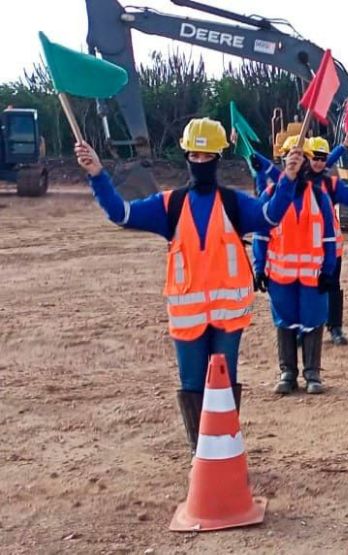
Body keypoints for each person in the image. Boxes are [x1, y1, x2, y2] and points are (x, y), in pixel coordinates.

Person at [75, 118, 297, 453]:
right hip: (188, 319)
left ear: (218, 159)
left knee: (223, 385)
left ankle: (225, 453)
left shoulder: (234, 203)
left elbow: (269, 216)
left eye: (208, 157)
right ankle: (201, 454)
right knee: (193, 385)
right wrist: (97, 175)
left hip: (228, 318)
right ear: (186, 156)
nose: (201, 162)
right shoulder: (170, 205)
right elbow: (121, 214)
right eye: (195, 155)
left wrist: (289, 180)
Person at [251, 136, 348, 346]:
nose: (317, 162)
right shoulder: (283, 185)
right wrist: (252, 155)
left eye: (318, 159)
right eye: (314, 158)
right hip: (298, 254)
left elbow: (327, 163)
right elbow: (268, 176)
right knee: (298, 297)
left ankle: (334, 327)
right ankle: (298, 332)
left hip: (328, 250)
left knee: (330, 287)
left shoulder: (326, 186)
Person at [253, 135, 338, 395]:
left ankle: (312, 374)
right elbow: (261, 234)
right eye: (292, 159)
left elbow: (329, 237)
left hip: (313, 276)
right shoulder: (270, 194)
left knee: (313, 321)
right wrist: (258, 268)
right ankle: (287, 373)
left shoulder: (319, 197)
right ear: (284, 161)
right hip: (280, 276)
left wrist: (329, 271)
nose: (297, 165)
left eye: (301, 160)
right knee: (285, 322)